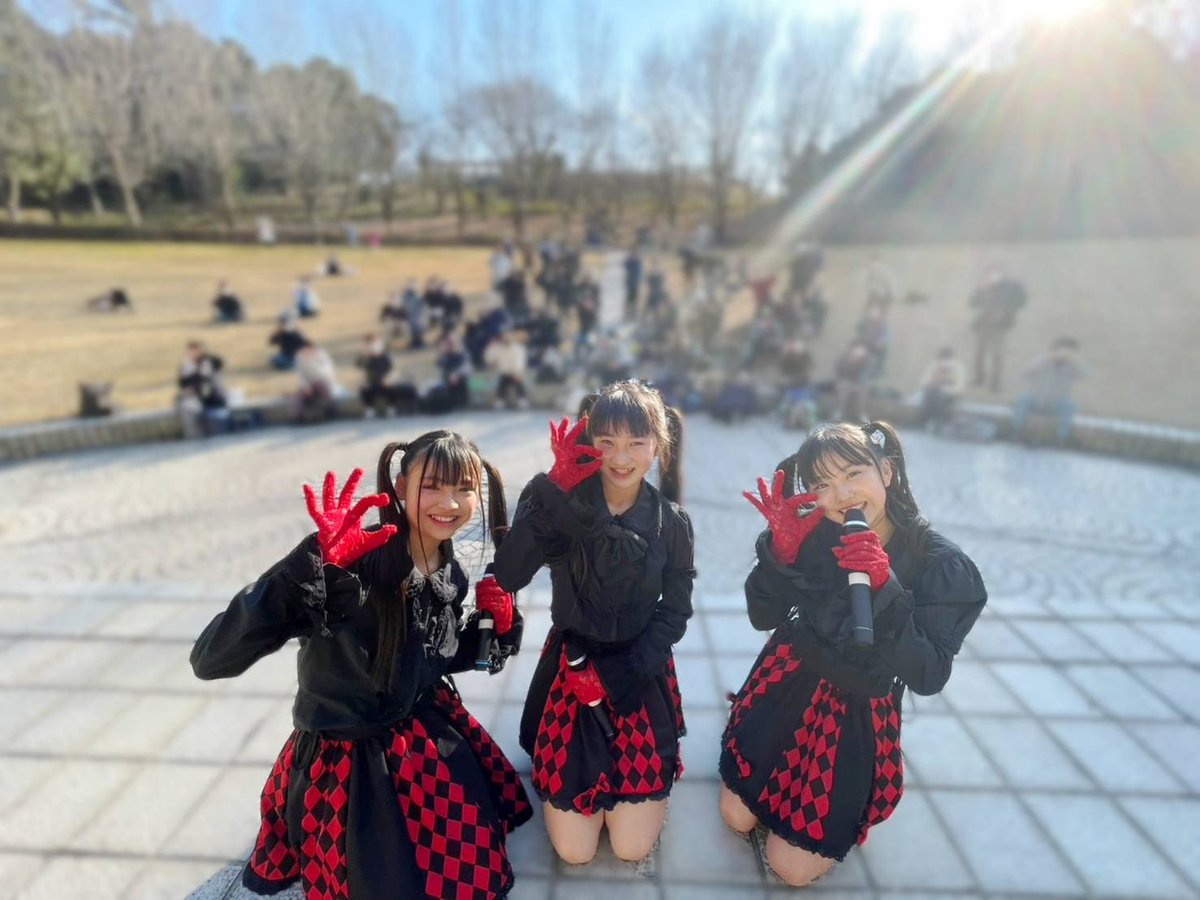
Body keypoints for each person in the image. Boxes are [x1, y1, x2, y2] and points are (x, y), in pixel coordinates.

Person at [190, 433, 533, 898]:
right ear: (400, 485)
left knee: (467, 854)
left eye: (464, 488)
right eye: (432, 485)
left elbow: (434, 658)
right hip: (348, 755)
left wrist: (496, 627)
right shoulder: (351, 561)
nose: (449, 503)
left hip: (418, 730)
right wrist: (304, 574)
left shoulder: (447, 569)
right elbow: (211, 659)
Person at [719, 421, 987, 886]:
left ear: (887, 471)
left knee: (791, 867)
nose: (841, 495)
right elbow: (763, 616)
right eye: (822, 484)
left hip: (857, 709)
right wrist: (780, 555)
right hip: (787, 680)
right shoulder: (815, 531)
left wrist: (885, 587)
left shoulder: (938, 563)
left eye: (853, 474)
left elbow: (928, 675)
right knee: (736, 816)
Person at [493, 381, 695, 866]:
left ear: (658, 446)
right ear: (589, 442)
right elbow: (508, 575)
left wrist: (627, 670)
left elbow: (675, 612)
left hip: (638, 671)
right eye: (607, 441)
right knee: (575, 851)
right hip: (572, 667)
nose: (620, 458)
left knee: (630, 847)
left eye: (636, 442)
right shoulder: (562, 501)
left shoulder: (672, 522)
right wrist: (551, 491)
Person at [1011, 337, 1087, 446]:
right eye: (1061, 350)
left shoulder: (1072, 366)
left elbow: (1086, 374)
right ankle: (1017, 432)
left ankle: (1062, 438)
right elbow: (1025, 372)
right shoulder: (1042, 361)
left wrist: (1074, 361)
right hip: (1036, 398)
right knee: (1022, 401)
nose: (1063, 354)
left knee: (1070, 406)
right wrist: (1047, 359)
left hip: (1057, 402)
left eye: (1068, 352)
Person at [969, 266, 1027, 393]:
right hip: (984, 323)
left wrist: (1007, 311)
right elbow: (973, 303)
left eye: (994, 274)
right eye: (989, 274)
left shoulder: (1010, 287)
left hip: (1000, 325)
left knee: (997, 354)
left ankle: (996, 382)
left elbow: (1021, 301)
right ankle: (979, 378)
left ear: (1001, 275)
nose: (991, 277)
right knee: (980, 352)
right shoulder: (984, 287)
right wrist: (980, 290)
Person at [176, 340, 228, 437]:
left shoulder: (209, 361)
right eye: (191, 351)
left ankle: (203, 430)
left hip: (210, 394)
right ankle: (193, 433)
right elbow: (182, 383)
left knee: (202, 396)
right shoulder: (186, 365)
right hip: (193, 395)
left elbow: (217, 365)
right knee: (182, 402)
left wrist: (205, 357)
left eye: (196, 350)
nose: (193, 353)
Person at [914, 346, 966, 432]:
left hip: (949, 396)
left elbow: (958, 388)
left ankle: (934, 421)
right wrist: (932, 383)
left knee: (938, 397)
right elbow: (924, 381)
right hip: (932, 393)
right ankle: (925, 421)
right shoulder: (934, 366)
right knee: (930, 393)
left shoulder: (957, 368)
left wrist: (942, 388)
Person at [291, 343, 339, 424]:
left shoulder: (321, 355)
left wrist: (316, 381)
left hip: (322, 379)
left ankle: (330, 411)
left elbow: (327, 370)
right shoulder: (299, 358)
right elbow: (300, 374)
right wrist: (306, 386)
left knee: (324, 389)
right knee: (298, 397)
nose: (306, 354)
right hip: (308, 382)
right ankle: (299, 417)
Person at [483, 328, 530, 410]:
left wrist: (517, 372)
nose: (506, 338)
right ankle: (500, 401)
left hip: (515, 372)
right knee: (502, 382)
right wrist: (490, 348)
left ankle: (522, 400)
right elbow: (490, 360)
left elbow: (520, 362)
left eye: (508, 336)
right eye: (504, 337)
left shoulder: (518, 348)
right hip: (504, 373)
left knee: (519, 381)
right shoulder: (497, 348)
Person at [356, 333, 394, 418]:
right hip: (371, 380)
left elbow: (390, 368)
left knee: (390, 387)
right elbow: (358, 365)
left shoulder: (384, 356)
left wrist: (387, 378)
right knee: (364, 389)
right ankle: (370, 408)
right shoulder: (366, 357)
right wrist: (363, 354)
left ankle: (390, 407)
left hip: (384, 379)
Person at [623, 247, 643, 320]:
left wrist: (640, 281)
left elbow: (641, 273)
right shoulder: (630, 261)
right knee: (628, 299)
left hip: (635, 283)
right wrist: (629, 258)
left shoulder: (638, 262)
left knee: (635, 300)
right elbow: (625, 265)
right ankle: (626, 314)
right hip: (629, 283)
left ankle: (633, 315)